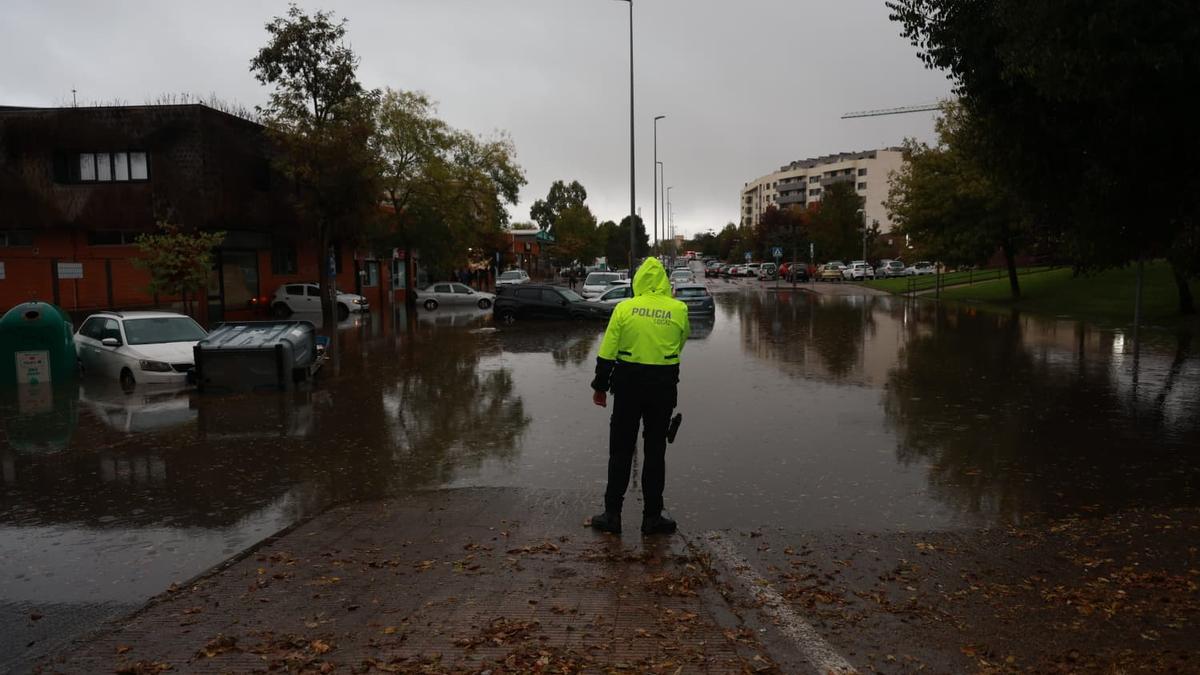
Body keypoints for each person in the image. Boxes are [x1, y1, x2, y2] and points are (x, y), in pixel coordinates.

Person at [589, 257, 689, 535]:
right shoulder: (679, 309)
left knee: (620, 451)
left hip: (627, 387)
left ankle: (612, 515)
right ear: (664, 281)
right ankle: (652, 517)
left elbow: (607, 351)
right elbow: (680, 343)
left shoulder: (624, 308)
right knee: (656, 452)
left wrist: (600, 386)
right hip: (663, 387)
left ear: (638, 281)